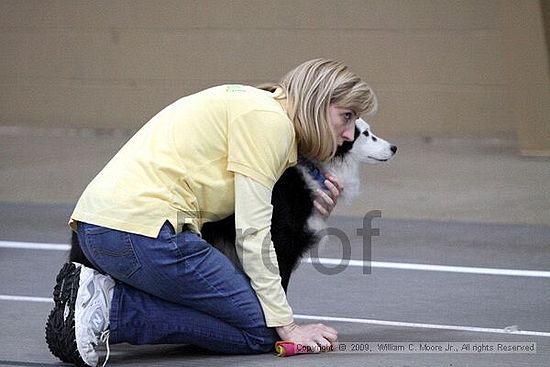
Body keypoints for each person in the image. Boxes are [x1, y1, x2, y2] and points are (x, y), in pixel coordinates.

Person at [45, 58, 377, 366]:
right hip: (143, 235)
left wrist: (312, 213)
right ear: (317, 104)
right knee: (261, 331)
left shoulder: (255, 106)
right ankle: (112, 311)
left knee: (249, 315)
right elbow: (252, 232)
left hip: (97, 231)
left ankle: (96, 299)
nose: (349, 133)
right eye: (346, 116)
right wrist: (287, 326)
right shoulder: (269, 125)